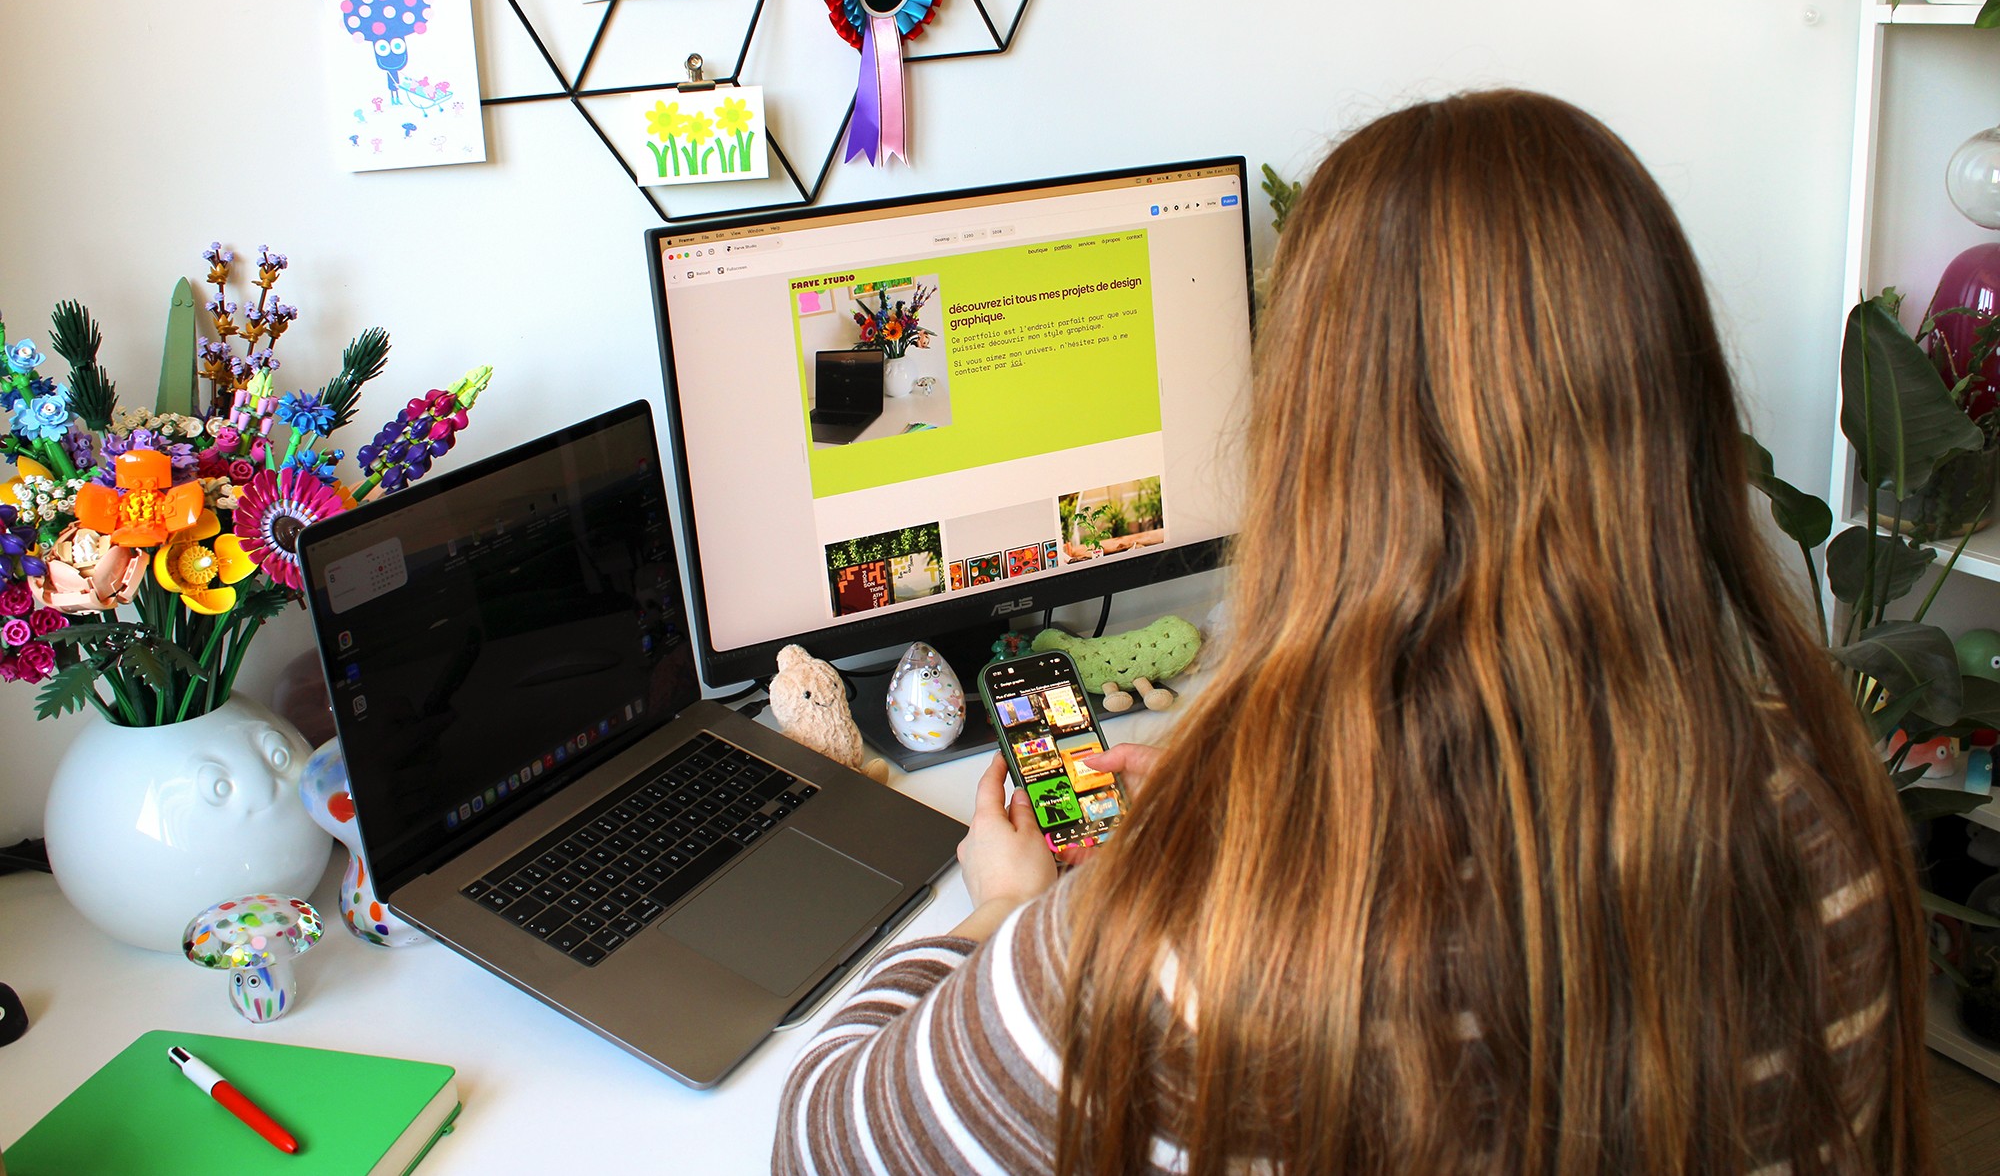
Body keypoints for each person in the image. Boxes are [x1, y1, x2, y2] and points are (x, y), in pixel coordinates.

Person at [772, 91, 1932, 1175]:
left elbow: (818, 1134)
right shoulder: (1817, 812)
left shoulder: (1181, 949)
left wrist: (1002, 908)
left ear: (1314, 451)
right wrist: (1274, 779)